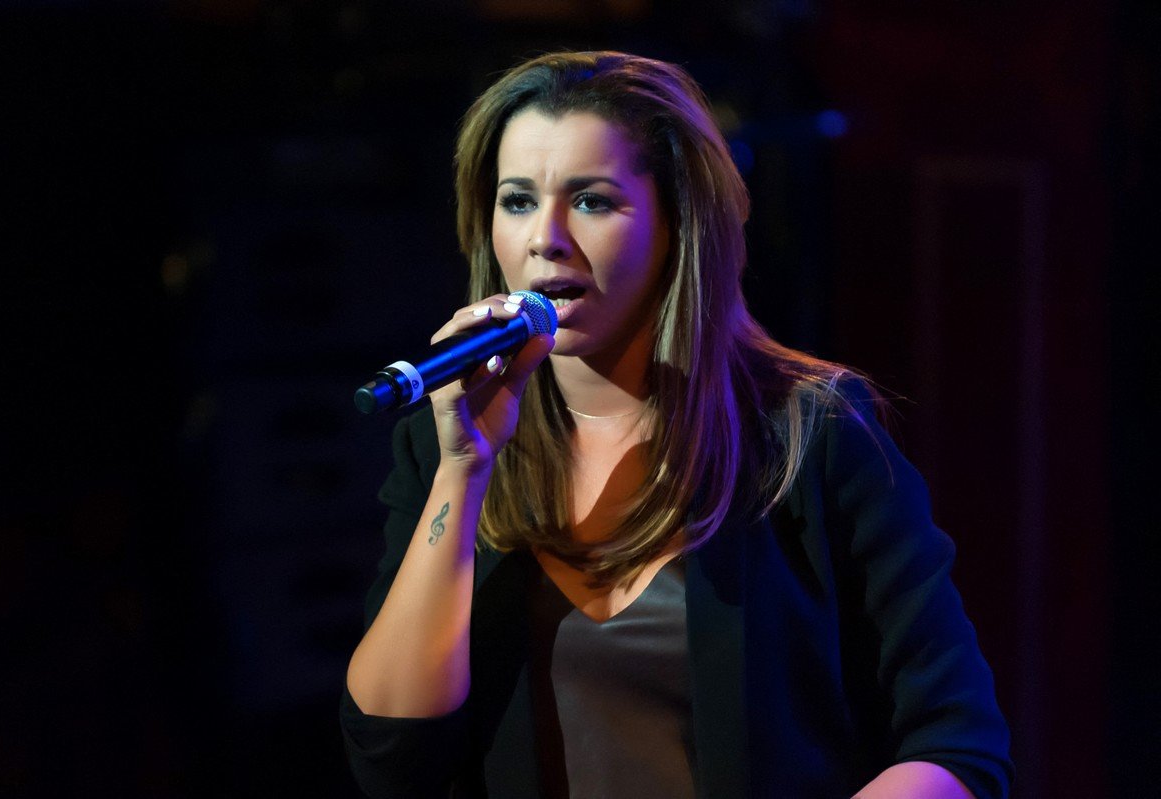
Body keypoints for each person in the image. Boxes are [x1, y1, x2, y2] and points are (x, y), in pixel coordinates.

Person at [340, 51, 1012, 798]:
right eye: (518, 201)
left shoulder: (809, 436)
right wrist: (464, 469)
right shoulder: (445, 441)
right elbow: (390, 756)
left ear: (679, 224)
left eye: (591, 201)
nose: (545, 238)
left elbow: (956, 743)